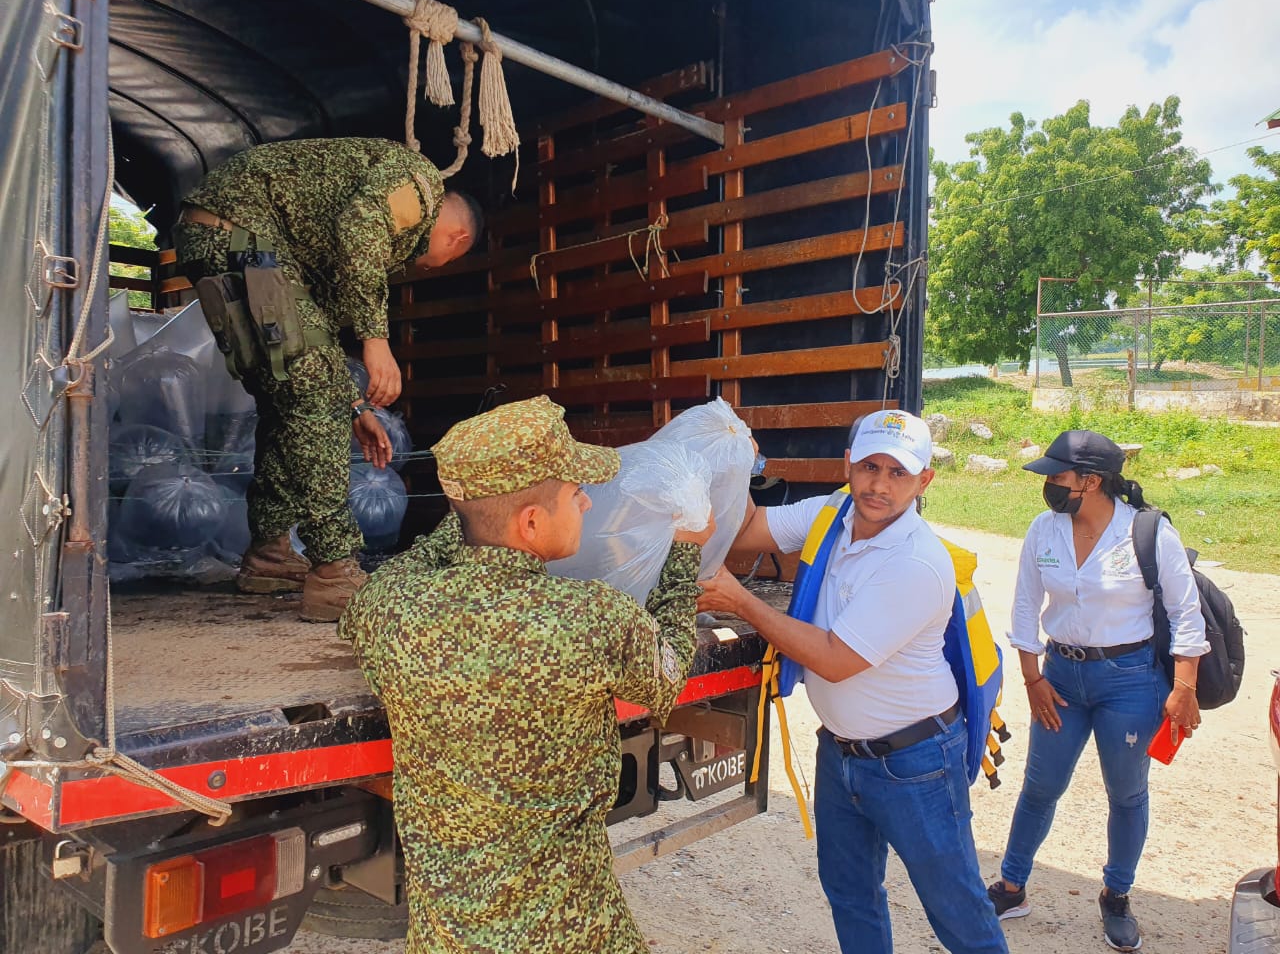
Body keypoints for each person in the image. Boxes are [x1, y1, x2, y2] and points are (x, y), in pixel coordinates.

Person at [338, 395, 714, 953]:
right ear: (532, 522)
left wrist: (466, 512)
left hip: (448, 938)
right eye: (574, 492)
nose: (587, 502)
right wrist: (684, 557)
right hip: (573, 932)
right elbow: (666, 674)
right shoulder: (594, 619)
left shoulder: (391, 607)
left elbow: (407, 569)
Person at [697, 409, 1008, 954]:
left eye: (897, 473)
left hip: (915, 762)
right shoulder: (829, 515)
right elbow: (747, 532)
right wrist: (732, 462)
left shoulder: (916, 562)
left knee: (956, 908)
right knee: (850, 894)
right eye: (869, 467)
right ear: (848, 464)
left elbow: (836, 660)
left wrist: (740, 602)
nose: (879, 485)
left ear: (924, 481)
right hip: (840, 754)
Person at [173, 137, 484, 621]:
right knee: (308, 397)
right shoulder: (420, 185)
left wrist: (357, 409)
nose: (421, 267)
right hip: (244, 236)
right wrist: (375, 340)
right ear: (457, 240)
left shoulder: (321, 239)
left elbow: (312, 345)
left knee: (289, 400)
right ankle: (335, 572)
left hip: (225, 238)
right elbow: (361, 227)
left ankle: (270, 555)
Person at [986, 430, 1207, 953]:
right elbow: (1024, 607)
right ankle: (1012, 886)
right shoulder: (1044, 531)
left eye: (1057, 476)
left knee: (1126, 793)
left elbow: (1185, 613)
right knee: (1040, 787)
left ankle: (1117, 895)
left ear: (1091, 481)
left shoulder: (1147, 534)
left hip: (1129, 680)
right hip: (1060, 677)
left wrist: (1184, 688)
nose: (1048, 485)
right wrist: (1032, 678)